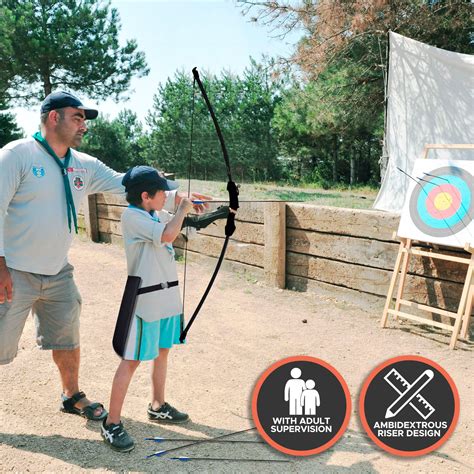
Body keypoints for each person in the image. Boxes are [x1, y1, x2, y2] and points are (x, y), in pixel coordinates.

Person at [0, 91, 203, 422]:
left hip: (57, 272)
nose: (84, 126)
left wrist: (182, 197)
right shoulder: (17, 155)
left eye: (84, 120)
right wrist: (0, 264)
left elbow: (132, 186)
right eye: (77, 118)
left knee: (66, 337)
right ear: (54, 118)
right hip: (14, 271)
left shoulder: (83, 165)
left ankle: (71, 396)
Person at [101, 166, 193, 452]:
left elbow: (176, 221)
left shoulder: (153, 213)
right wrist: (182, 211)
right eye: (161, 192)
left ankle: (158, 404)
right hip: (145, 300)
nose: (166, 195)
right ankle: (111, 423)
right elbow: (167, 234)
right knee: (131, 360)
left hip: (166, 297)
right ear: (145, 196)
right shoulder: (133, 216)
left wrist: (198, 207)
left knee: (163, 351)